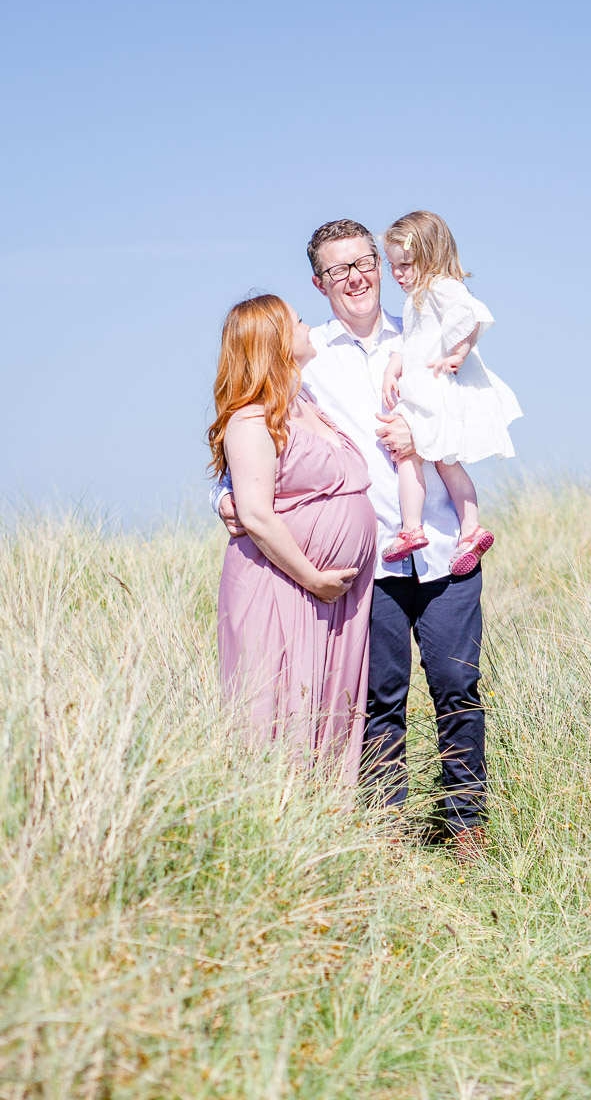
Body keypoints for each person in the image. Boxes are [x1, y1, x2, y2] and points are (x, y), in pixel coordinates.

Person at [213, 221, 489, 858]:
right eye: (339, 270)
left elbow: (476, 420)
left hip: (446, 544)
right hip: (372, 570)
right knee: (378, 700)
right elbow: (252, 429)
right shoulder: (307, 359)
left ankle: (466, 827)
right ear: (319, 282)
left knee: (455, 684)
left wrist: (430, 441)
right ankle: (389, 833)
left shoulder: (426, 332)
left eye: (365, 262)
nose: (358, 276)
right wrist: (222, 498)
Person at [208, 294, 376, 786]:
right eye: (298, 321)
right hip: (282, 585)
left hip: (331, 593)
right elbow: (257, 515)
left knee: (329, 703)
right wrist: (314, 577)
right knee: (278, 707)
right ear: (275, 341)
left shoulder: (306, 404)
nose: (308, 326)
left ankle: (324, 827)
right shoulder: (251, 419)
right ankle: (271, 832)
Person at [381, 211, 522, 574]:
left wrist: (458, 352)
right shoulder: (416, 298)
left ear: (430, 256)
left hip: (435, 387)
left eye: (405, 264)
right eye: (393, 266)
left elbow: (471, 315)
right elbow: (409, 341)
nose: (397, 274)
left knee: (412, 456)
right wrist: (391, 370)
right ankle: (464, 529)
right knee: (440, 461)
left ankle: (418, 529)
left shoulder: (443, 287)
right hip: (422, 385)